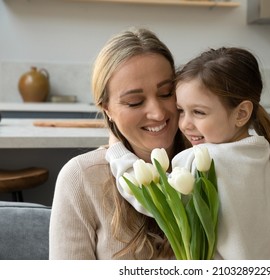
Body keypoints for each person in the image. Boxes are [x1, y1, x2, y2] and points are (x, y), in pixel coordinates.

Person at [109, 47, 270, 259]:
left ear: (242, 113)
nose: (185, 124)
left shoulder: (203, 161)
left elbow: (153, 199)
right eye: (181, 111)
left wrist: (117, 151)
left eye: (199, 112)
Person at [49, 27, 188, 260]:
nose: (156, 113)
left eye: (166, 93)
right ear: (107, 109)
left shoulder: (209, 165)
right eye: (134, 102)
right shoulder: (81, 177)